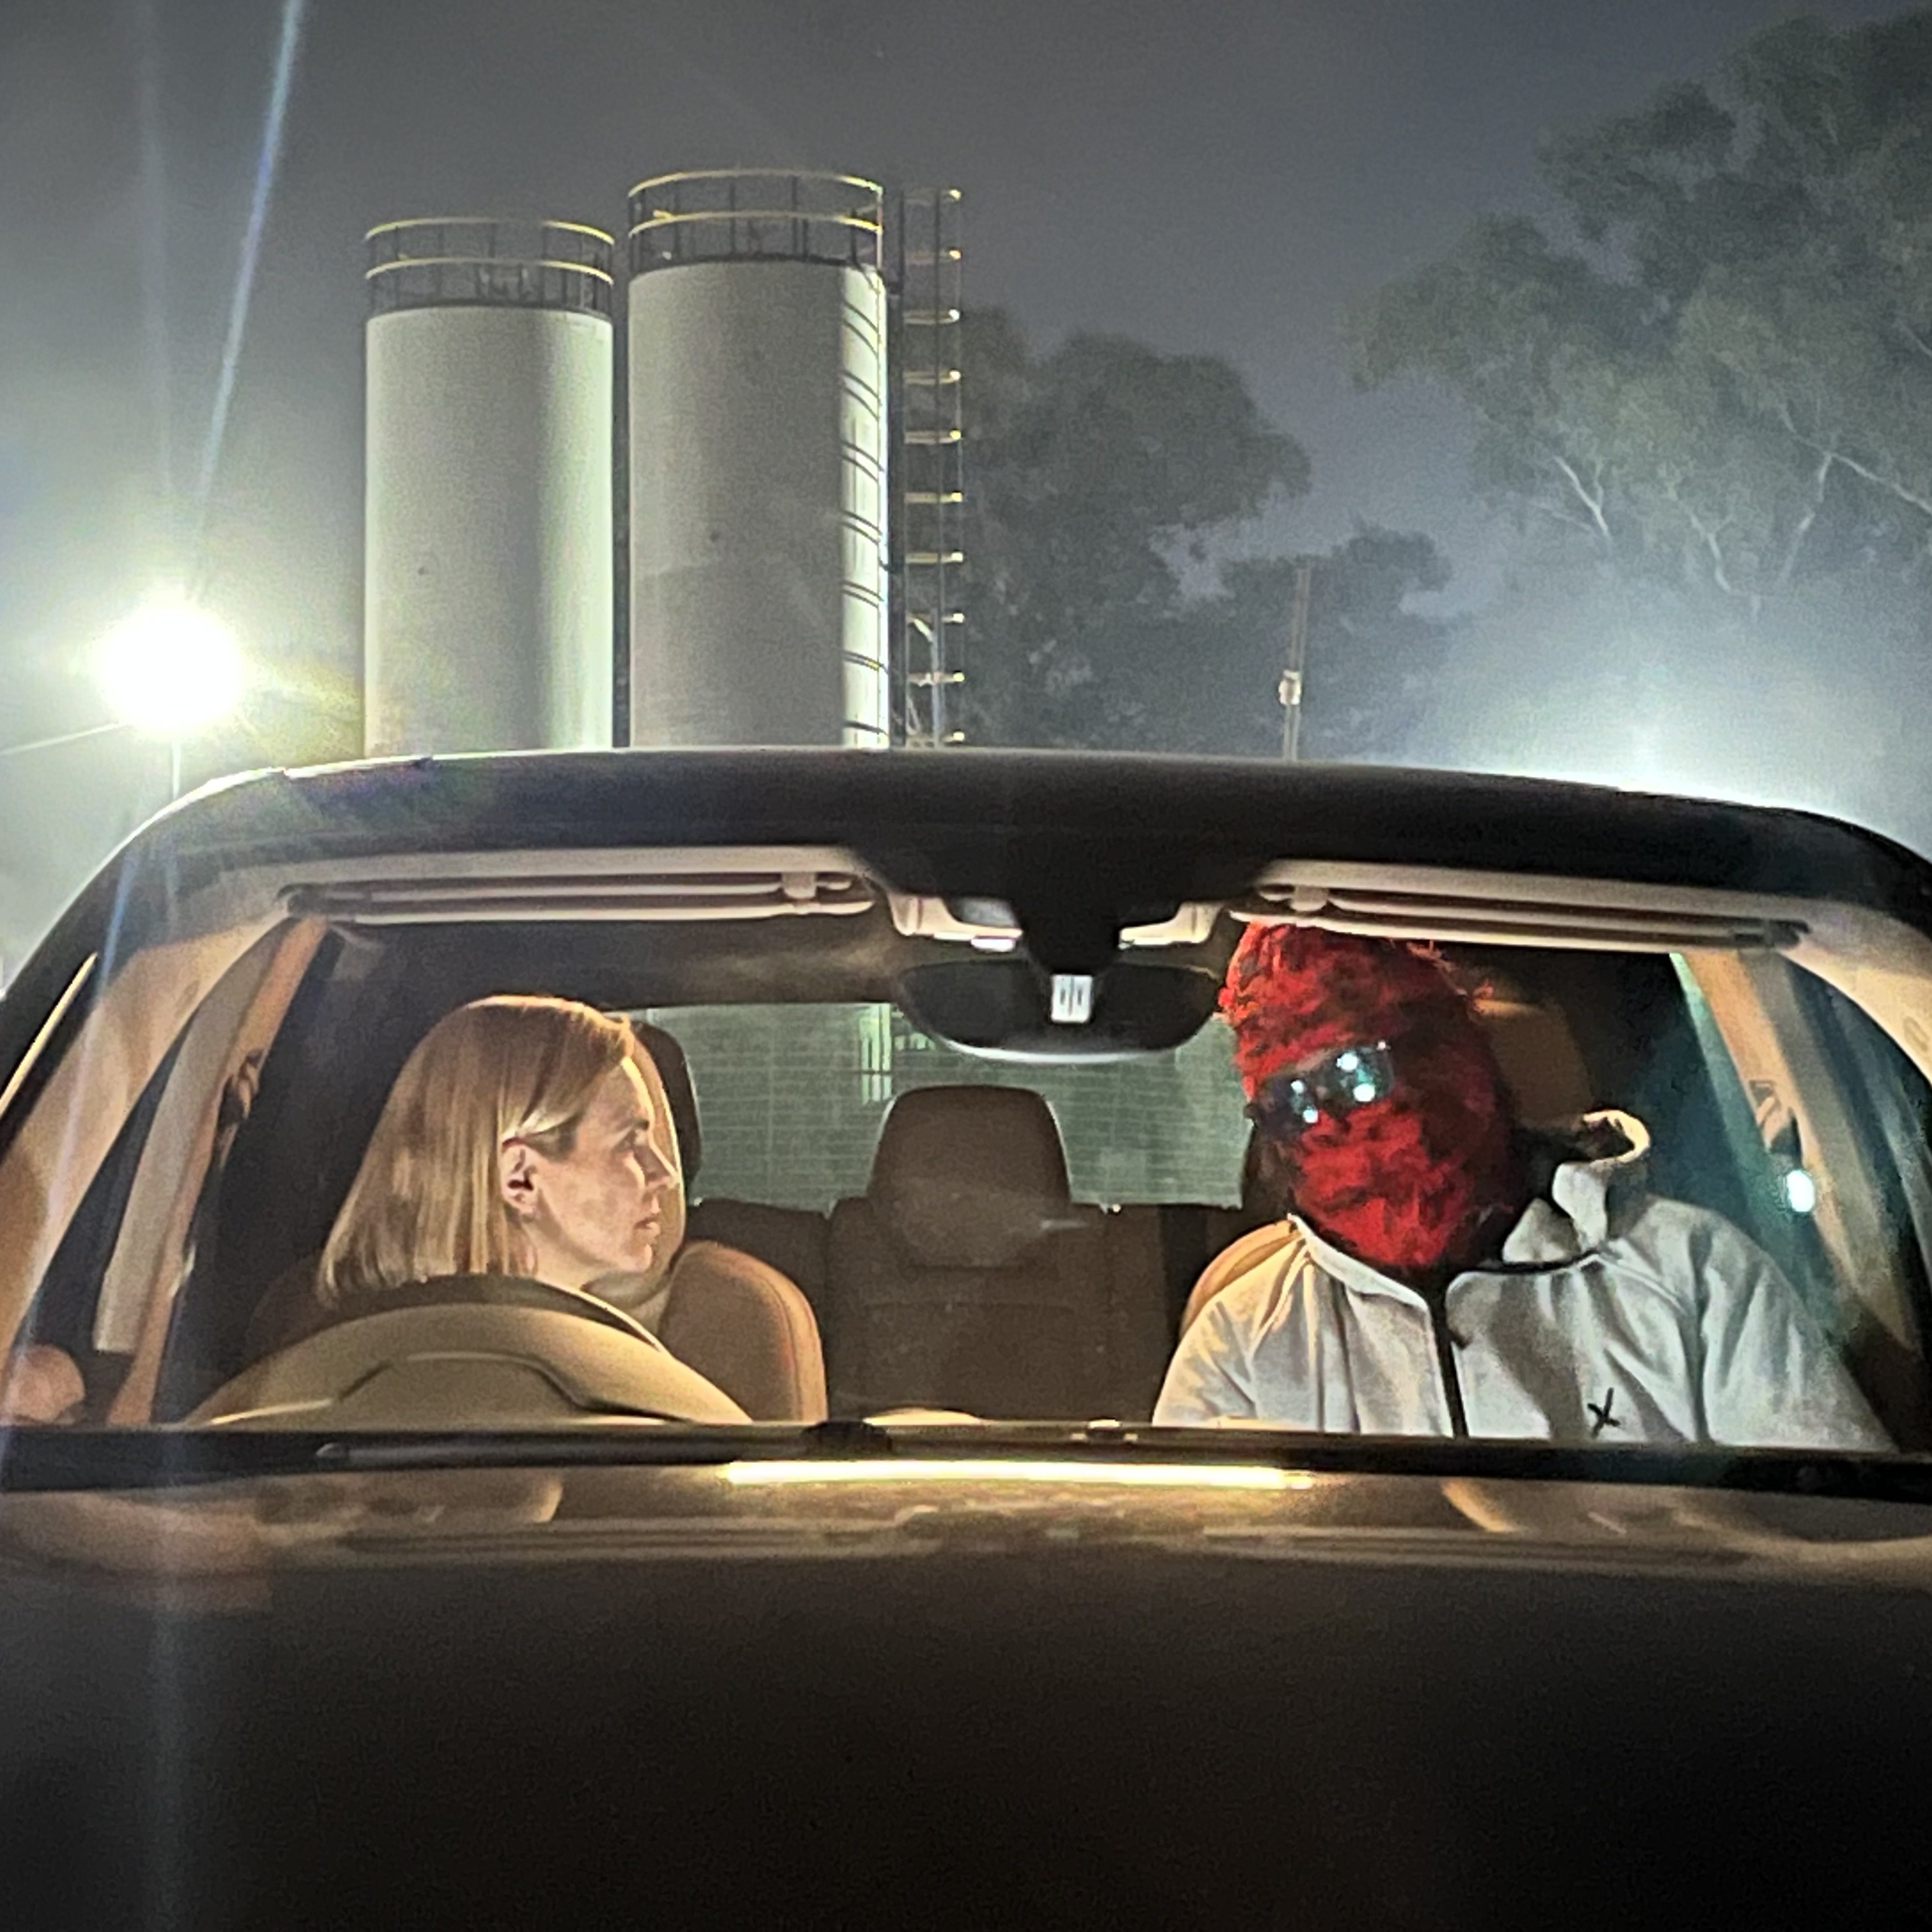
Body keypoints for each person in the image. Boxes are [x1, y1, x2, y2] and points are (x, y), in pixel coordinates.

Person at [1154, 924, 1889, 1448]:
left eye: (1357, 1070)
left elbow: (1831, 1554)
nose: (1339, 1120)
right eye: (1293, 1102)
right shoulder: (1245, 1340)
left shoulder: (1693, 1276)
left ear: (1445, 1055)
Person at [318, 995, 680, 1310]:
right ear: (520, 1178)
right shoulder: (611, 1365)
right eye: (629, 1143)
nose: (666, 1175)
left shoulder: (343, 1348)